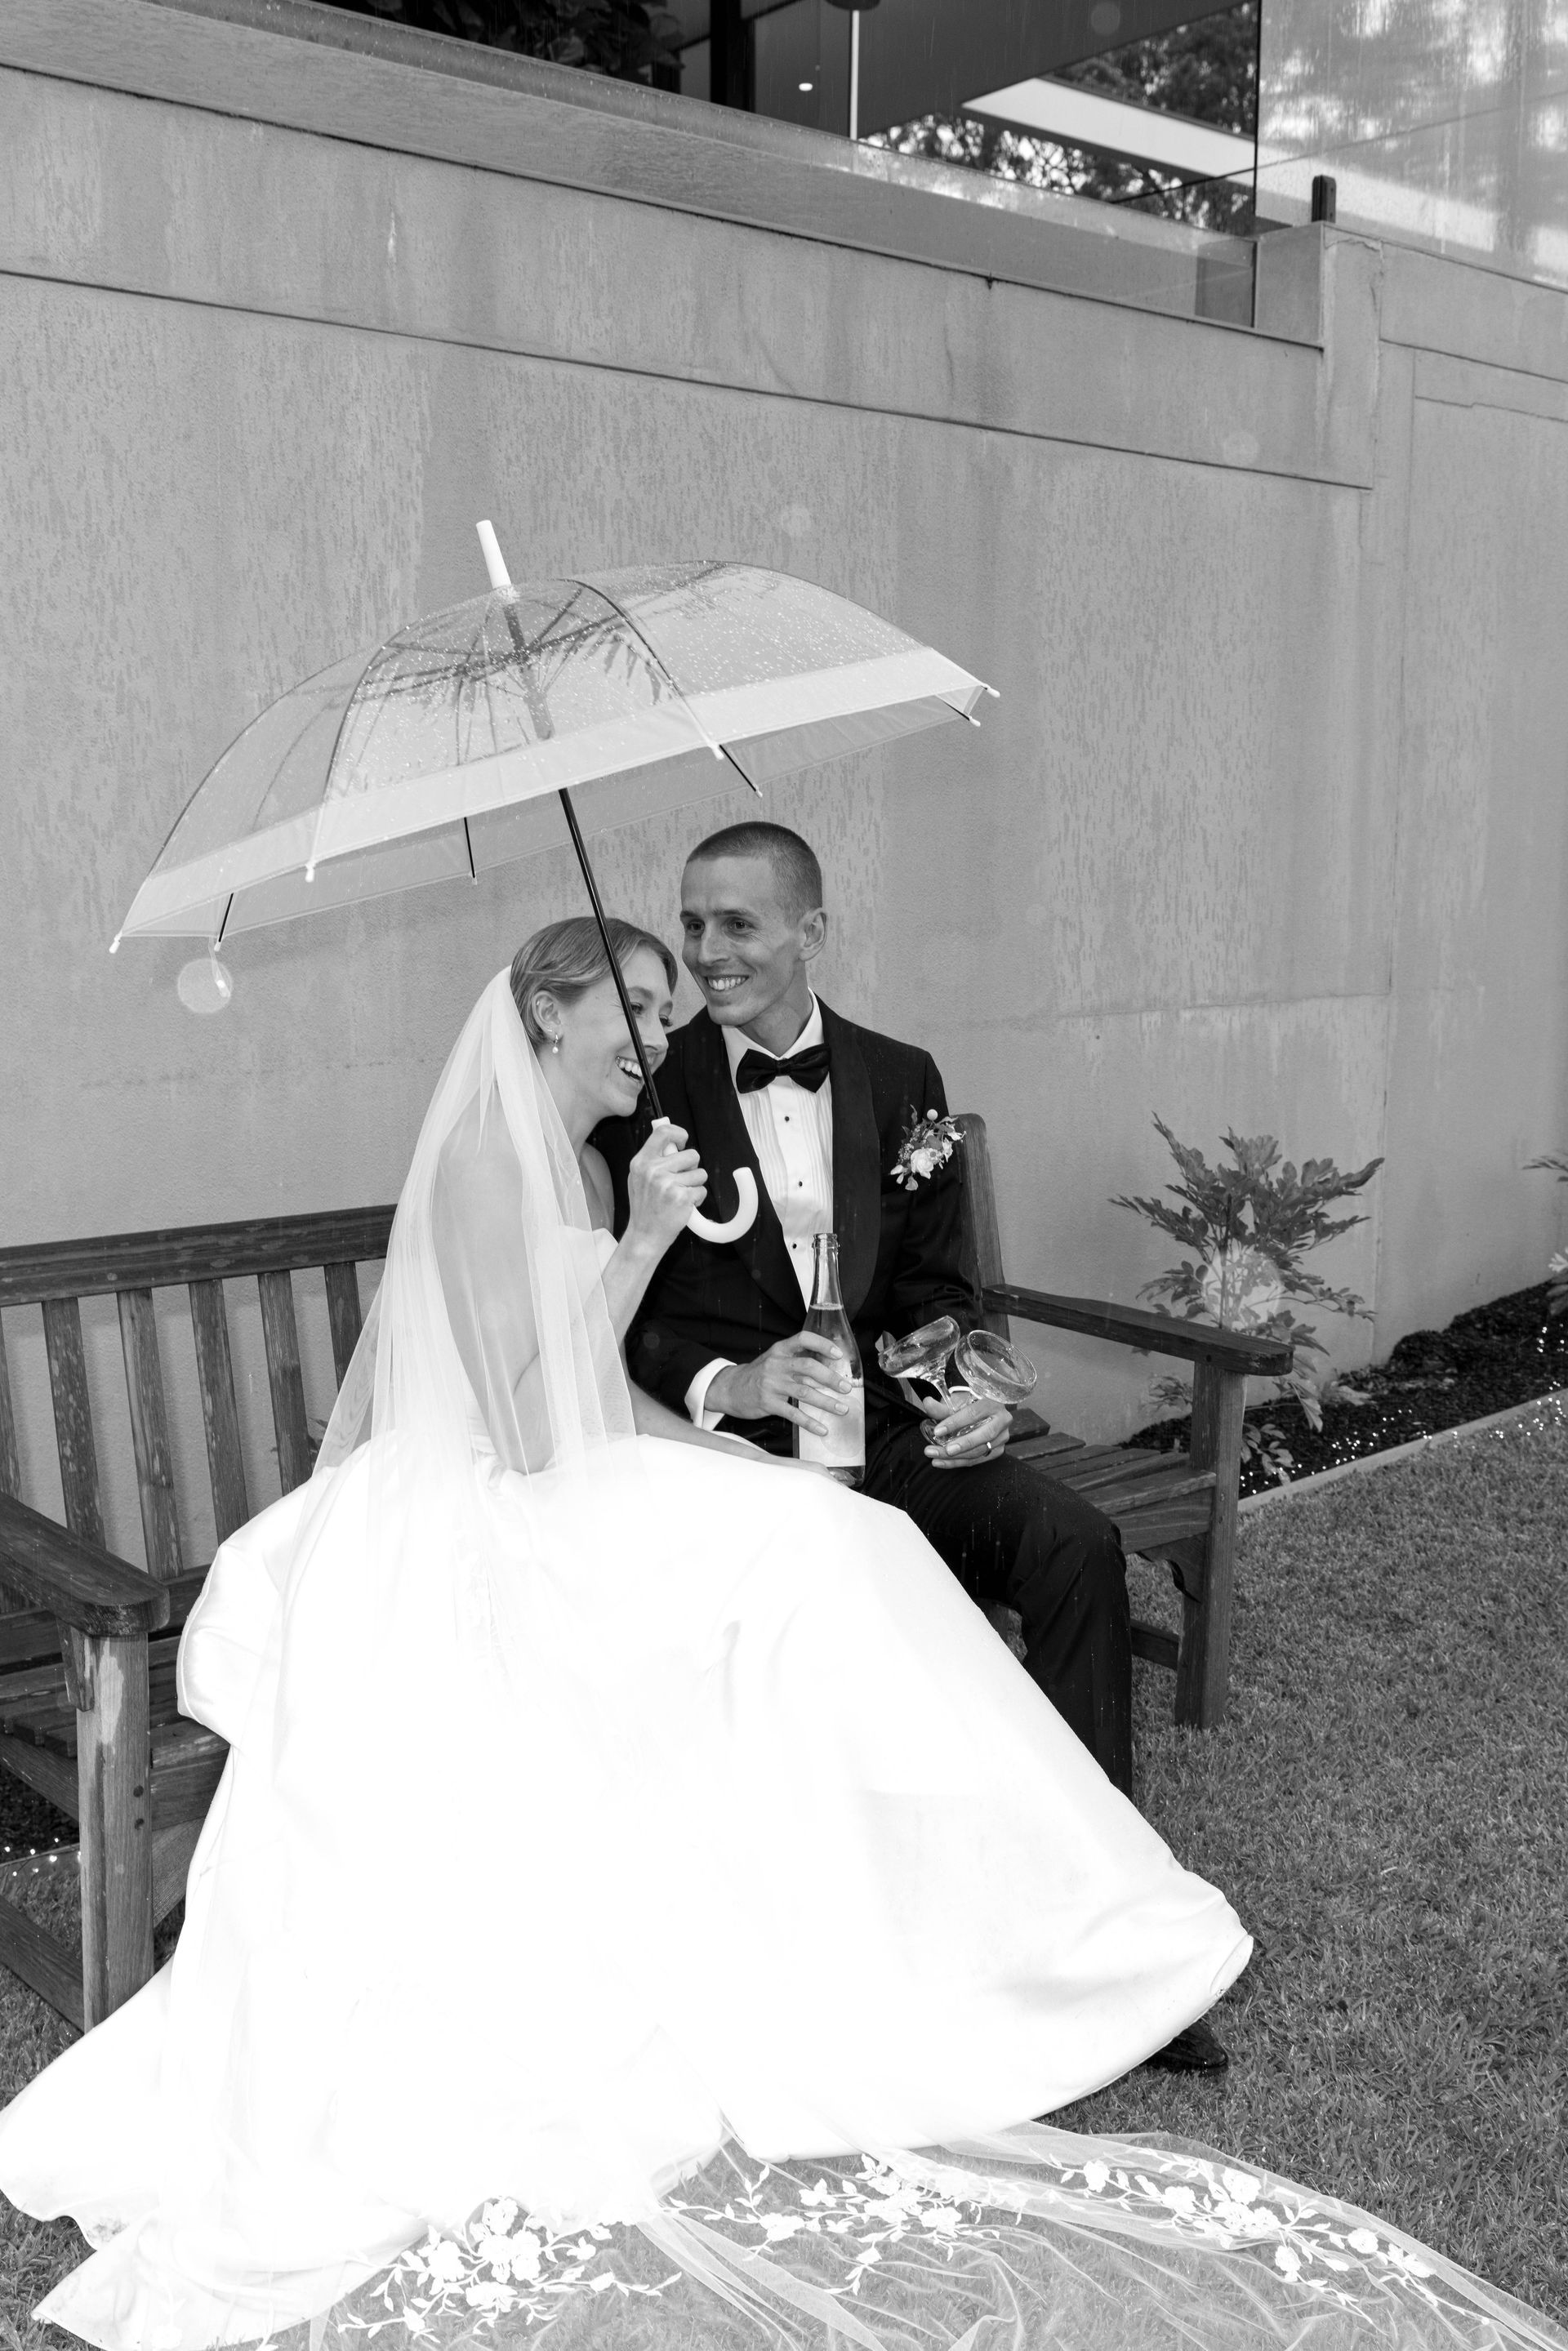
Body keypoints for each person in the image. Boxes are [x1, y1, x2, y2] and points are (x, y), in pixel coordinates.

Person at [0, 922, 1553, 2351]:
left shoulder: (579, 1161)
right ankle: (916, 1922)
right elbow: (531, 1432)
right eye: (633, 1010)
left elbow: (596, 1405)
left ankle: (1005, 1909)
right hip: (471, 1523)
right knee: (816, 1566)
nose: (653, 1037)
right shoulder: (493, 1163)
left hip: (554, 1486)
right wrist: (646, 1240)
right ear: (546, 1013)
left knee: (833, 1542)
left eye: (669, 1011)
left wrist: (712, 1438)